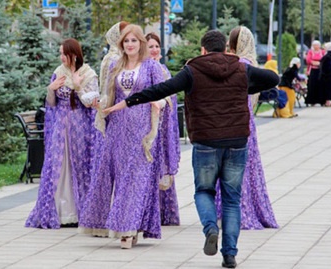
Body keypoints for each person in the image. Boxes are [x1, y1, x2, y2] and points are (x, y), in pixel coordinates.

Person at [103, 30, 280, 268]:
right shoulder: (241, 69)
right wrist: (242, 87)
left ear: (203, 50)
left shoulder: (192, 71)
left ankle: (210, 230)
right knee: (231, 200)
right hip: (237, 141)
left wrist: (127, 102)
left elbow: (161, 90)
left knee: (204, 191)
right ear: (226, 49)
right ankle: (229, 255)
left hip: (206, 142)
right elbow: (272, 79)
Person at [78, 24, 179, 249]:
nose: (130, 45)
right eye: (126, 41)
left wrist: (159, 103)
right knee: (121, 179)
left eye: (134, 41)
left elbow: (166, 96)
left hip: (142, 132)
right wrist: (97, 103)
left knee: (136, 180)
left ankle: (128, 230)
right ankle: (127, 227)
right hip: (117, 130)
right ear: (121, 45)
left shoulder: (152, 67)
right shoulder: (115, 65)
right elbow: (109, 96)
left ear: (140, 43)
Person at [25, 38, 99, 229]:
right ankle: (57, 212)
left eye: (63, 53)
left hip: (79, 126)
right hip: (60, 126)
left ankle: (78, 212)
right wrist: (51, 89)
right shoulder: (58, 73)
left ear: (73, 54)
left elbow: (91, 103)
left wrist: (77, 85)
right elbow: (51, 104)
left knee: (78, 165)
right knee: (58, 165)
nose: (61, 57)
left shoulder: (88, 74)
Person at [220, 26, 279, 230]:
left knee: (234, 166)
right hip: (247, 121)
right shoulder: (251, 63)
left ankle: (239, 208)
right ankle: (250, 205)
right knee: (249, 164)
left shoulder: (238, 64)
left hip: (234, 121)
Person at [146, 32, 181, 226]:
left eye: (157, 46)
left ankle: (165, 212)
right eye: (151, 46)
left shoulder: (163, 69)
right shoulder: (142, 69)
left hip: (162, 124)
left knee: (163, 165)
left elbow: (171, 95)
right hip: (147, 126)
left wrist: (164, 101)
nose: (154, 50)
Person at [305, 40, 326, 106]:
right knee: (312, 85)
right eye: (314, 45)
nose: (316, 46)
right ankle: (312, 101)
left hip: (320, 70)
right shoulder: (310, 52)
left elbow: (325, 59)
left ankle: (322, 101)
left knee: (321, 85)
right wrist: (313, 62)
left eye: (317, 45)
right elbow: (308, 60)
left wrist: (319, 63)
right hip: (312, 70)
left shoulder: (322, 52)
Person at [320, 42, 331, 107]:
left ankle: (328, 101)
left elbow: (325, 67)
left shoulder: (326, 57)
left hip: (327, 75)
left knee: (327, 88)